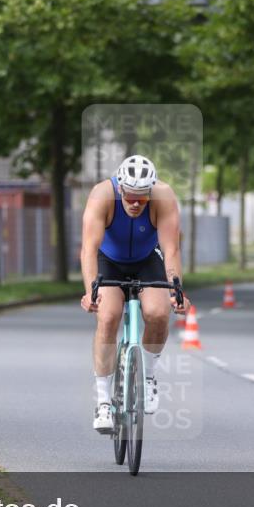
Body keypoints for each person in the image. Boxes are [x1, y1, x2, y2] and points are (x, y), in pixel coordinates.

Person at [79, 155, 189, 433]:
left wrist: (176, 289)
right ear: (120, 188)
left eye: (142, 197)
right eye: (130, 196)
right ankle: (103, 401)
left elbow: (171, 249)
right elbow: (89, 249)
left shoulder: (163, 197)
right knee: (108, 315)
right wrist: (90, 289)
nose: (136, 203)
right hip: (108, 260)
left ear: (150, 190)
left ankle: (148, 376)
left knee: (158, 312)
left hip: (146, 259)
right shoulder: (102, 195)